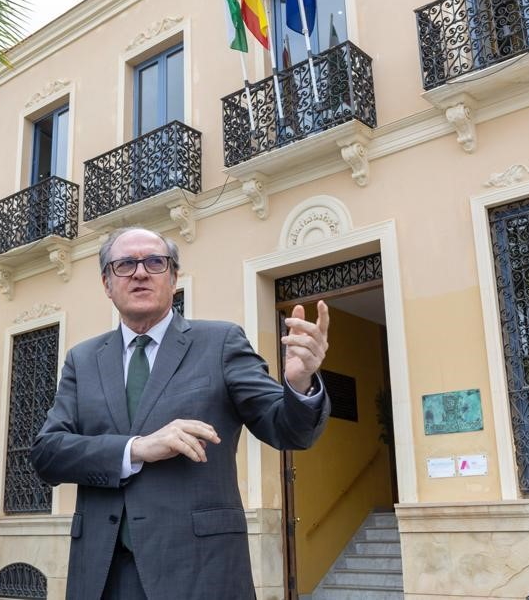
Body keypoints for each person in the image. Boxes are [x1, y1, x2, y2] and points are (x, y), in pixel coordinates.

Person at [31, 227, 331, 599]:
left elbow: (286, 429)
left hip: (200, 572)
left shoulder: (220, 342)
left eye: (155, 262)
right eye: (125, 264)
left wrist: (300, 384)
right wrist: (136, 449)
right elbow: (48, 453)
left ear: (173, 278)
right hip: (103, 575)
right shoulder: (83, 359)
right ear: (107, 283)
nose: (140, 272)